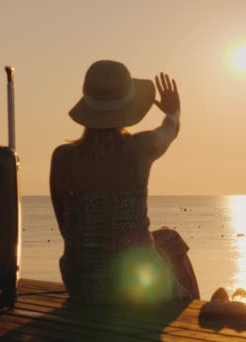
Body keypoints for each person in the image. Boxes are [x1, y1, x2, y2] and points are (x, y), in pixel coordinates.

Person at [49, 60, 200, 304]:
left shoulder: (63, 157)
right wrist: (174, 111)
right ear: (127, 107)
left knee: (154, 244)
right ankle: (187, 306)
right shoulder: (140, 148)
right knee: (169, 240)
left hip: (82, 284)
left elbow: (65, 226)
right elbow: (169, 130)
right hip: (132, 288)